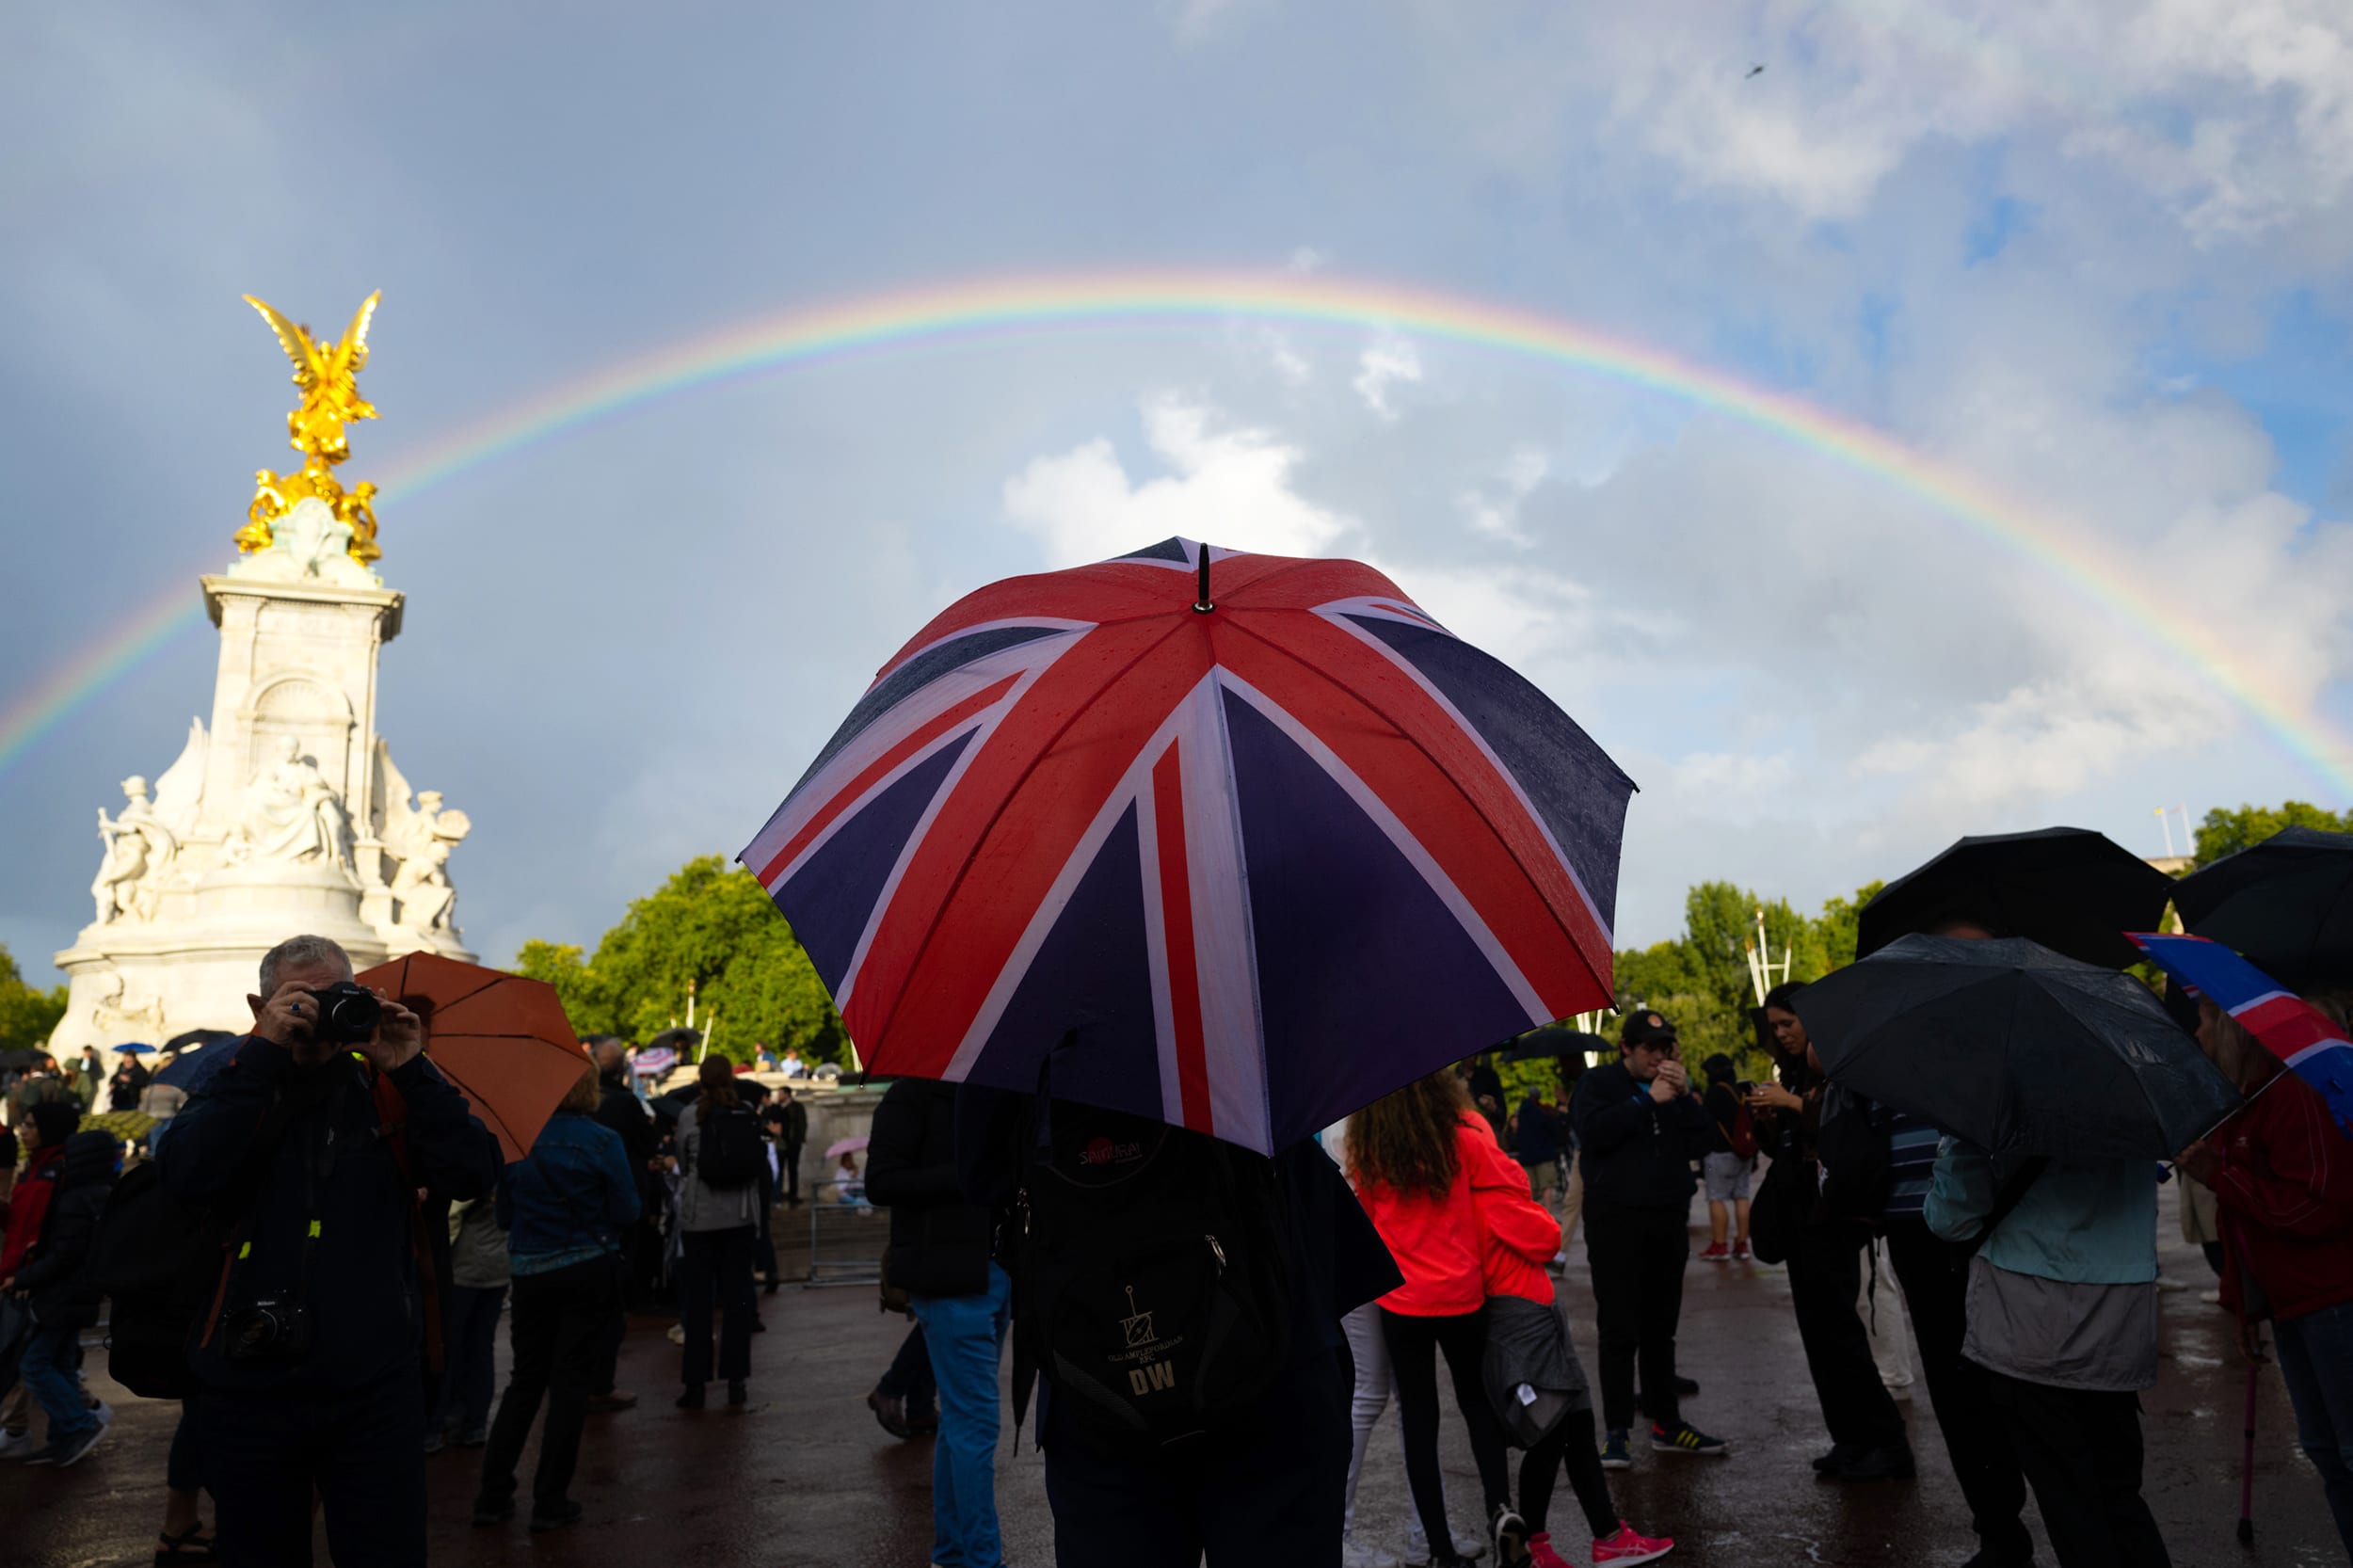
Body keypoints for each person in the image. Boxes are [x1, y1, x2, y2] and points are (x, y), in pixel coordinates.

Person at [159, 934, 502, 1568]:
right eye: (301, 1001)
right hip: (248, 1382)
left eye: (334, 997)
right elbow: (187, 1176)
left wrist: (412, 1067)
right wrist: (264, 1054)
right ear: (259, 1006)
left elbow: (474, 1176)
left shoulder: (387, 1088)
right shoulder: (236, 1082)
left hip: (372, 1384)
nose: (318, 1016)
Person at [960, 1081, 1400, 1567]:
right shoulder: (1240, 1012)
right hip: (1272, 1337)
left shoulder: (1011, 1017)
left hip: (1093, 1358)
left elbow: (983, 1177)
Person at [1927, 1135, 2169, 1568]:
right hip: (2120, 1324)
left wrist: (1953, 1144)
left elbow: (1951, 1219)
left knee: (2070, 1502)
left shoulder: (2001, 1105)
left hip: (2030, 1330)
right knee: (2119, 1494)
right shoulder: (2131, 1104)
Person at [2177, 985, 2353, 1558]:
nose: (2198, 1034)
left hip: (2334, 1301)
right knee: (2328, 1453)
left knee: (2347, 1453)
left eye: (2205, 1020)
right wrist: (2245, 1305)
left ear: (2231, 1027)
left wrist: (2218, 1176)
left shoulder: (2294, 1094)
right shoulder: (2250, 1098)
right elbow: (2241, 1225)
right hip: (2295, 1305)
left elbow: (2317, 1206)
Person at [1470, 1104, 1674, 1568]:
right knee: (1552, 1431)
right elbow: (1548, 1238)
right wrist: (1526, 1199)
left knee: (1575, 1424)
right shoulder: (1494, 1196)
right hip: (1524, 1321)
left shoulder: (1483, 1194)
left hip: (1532, 1316)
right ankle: (1561, 1542)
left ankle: (1600, 1535)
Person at [1351, 1071, 1522, 1566]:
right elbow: (1509, 1181)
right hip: (1464, 1292)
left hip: (1403, 1301)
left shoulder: (1370, 1149)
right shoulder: (1462, 1136)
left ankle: (1440, 1549)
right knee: (1477, 1404)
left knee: (1420, 1422)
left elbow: (1364, 1219)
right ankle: (1500, 1510)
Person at [1746, 991, 1912, 1483]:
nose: (1782, 1034)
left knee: (1841, 1333)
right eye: (1774, 1026)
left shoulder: (1846, 1070)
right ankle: (1850, 1439)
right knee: (1819, 1336)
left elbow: (1850, 1135)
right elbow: (1788, 1149)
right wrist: (1768, 1122)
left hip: (1833, 1219)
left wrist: (1791, 1103)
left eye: (1788, 1023)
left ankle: (1887, 1443)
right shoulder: (1798, 1075)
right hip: (1803, 1219)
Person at [473, 1063, 639, 1532]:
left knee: (525, 1382)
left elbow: (504, 1216)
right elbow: (627, 1209)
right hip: (587, 1266)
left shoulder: (517, 1142)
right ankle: (550, 1498)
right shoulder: (604, 1141)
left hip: (530, 1270)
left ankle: (493, 1494)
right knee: (570, 1386)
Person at [1571, 1011, 1725, 1466]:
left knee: (1661, 1330)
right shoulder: (1599, 1084)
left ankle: (1667, 1423)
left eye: (1666, 1049)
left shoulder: (1676, 1093)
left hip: (1666, 1220)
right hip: (1615, 1223)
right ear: (1626, 1048)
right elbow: (1593, 1134)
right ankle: (1616, 1431)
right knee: (1618, 1329)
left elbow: (1704, 1143)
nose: (1659, 1057)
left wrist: (1681, 1099)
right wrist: (1647, 1102)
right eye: (1650, 1049)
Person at [867, 1078, 1008, 1568]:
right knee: (975, 1424)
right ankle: (980, 1560)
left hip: (991, 1271)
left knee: (963, 1425)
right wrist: (966, 1175)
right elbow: (880, 1181)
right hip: (949, 1277)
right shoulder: (911, 1095)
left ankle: (954, 1554)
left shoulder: (989, 1090)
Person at [2, 1109, 116, 1465]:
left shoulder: (63, 1186)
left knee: (34, 1364)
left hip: (55, 1290)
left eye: (31, 1125)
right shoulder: (58, 1179)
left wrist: (22, 1277)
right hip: (62, 1290)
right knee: (59, 1361)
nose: (24, 1131)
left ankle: (79, 1423)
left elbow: (61, 1250)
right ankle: (65, 1434)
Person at [671, 1055, 760, 1407]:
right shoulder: (746, 1111)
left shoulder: (689, 1115)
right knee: (738, 1301)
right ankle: (736, 1382)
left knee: (698, 1304)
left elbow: (682, 1160)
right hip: (739, 1216)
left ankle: (695, 1385)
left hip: (700, 1219)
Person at [435, 1195, 508, 1448]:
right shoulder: (509, 1167)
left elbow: (452, 1217)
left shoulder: (474, 1170)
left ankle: (437, 1424)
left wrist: (439, 1253)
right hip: (498, 1267)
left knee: (449, 1344)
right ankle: (476, 1424)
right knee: (481, 1347)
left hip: (464, 1268)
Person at [1696, 1054, 1752, 1262]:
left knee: (1716, 1197)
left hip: (1718, 1152)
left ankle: (1720, 1244)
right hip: (1743, 1152)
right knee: (1742, 1196)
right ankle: (1742, 1243)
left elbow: (1704, 1121)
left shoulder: (1715, 1093)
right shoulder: (1740, 1091)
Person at [1516, 1088, 1566, 1210]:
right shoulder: (1542, 1111)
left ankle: (1533, 1216)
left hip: (1527, 1156)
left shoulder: (1521, 1113)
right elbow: (1552, 1129)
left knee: (1531, 1189)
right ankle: (1547, 1214)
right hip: (1544, 1153)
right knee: (1546, 1186)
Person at [762, 1085, 808, 1207]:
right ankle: (779, 1194)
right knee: (779, 1169)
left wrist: (800, 1138)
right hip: (781, 1143)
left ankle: (793, 1194)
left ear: (787, 1094)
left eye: (781, 1093)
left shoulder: (796, 1107)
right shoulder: (776, 1108)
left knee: (793, 1169)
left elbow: (802, 1123)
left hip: (793, 1143)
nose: (778, 1096)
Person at [72, 1046, 104, 1112]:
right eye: (86, 1052)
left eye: (89, 1052)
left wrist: (91, 1076)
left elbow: (101, 1074)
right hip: (80, 1088)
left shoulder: (95, 1062)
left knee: (89, 1106)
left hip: (92, 1087)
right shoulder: (79, 1061)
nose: (87, 1053)